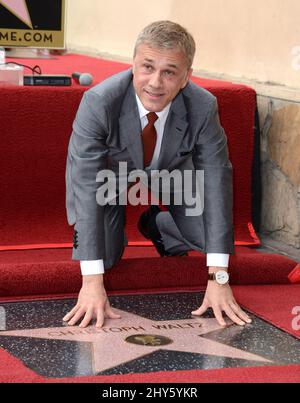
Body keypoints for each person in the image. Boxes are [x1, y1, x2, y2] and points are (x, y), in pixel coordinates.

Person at [63, 21, 252, 329]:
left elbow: (216, 182)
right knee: (106, 256)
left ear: (186, 77)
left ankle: (158, 225)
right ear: (133, 64)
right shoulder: (99, 102)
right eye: (147, 67)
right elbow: (85, 186)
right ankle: (117, 228)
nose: (155, 82)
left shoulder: (203, 106)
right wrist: (92, 282)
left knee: (211, 239)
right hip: (107, 182)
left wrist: (219, 278)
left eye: (169, 71)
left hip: (173, 177)